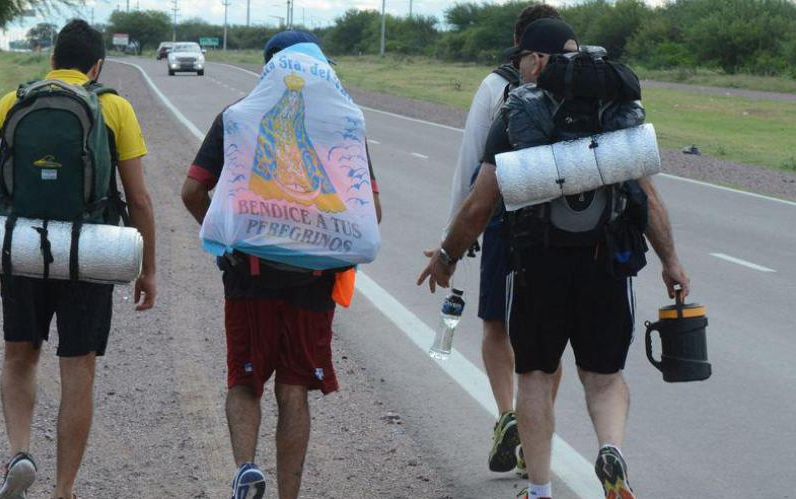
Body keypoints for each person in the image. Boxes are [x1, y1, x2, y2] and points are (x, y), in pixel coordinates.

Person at [419, 18, 689, 499]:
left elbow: (480, 203)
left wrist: (446, 255)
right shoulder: (613, 108)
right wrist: (671, 261)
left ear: (539, 59)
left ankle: (540, 490)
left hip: (537, 264)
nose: (521, 66)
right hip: (606, 263)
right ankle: (611, 450)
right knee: (604, 378)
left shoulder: (519, 110)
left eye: (523, 58)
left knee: (535, 377)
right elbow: (647, 197)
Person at [0, 19, 157, 499]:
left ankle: (21, 452)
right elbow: (140, 199)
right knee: (78, 368)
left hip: (23, 248)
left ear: (51, 60)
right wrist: (147, 269)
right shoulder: (114, 107)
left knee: (19, 356)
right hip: (89, 253)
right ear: (97, 66)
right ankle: (64, 489)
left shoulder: (13, 101)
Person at [181, 30, 382, 499]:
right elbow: (370, 211)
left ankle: (246, 470)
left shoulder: (236, 117)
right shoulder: (344, 123)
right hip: (313, 283)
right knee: (293, 390)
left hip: (249, 276)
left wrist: (230, 238)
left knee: (244, 381)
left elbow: (192, 191)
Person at [444, 3, 564, 476]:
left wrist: (451, 239)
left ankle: (508, 415)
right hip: (560, 228)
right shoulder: (578, 87)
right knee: (549, 336)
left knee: (496, 324)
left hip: (502, 221)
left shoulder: (496, 86)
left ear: (518, 42)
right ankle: (536, 440)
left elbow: (470, 164)